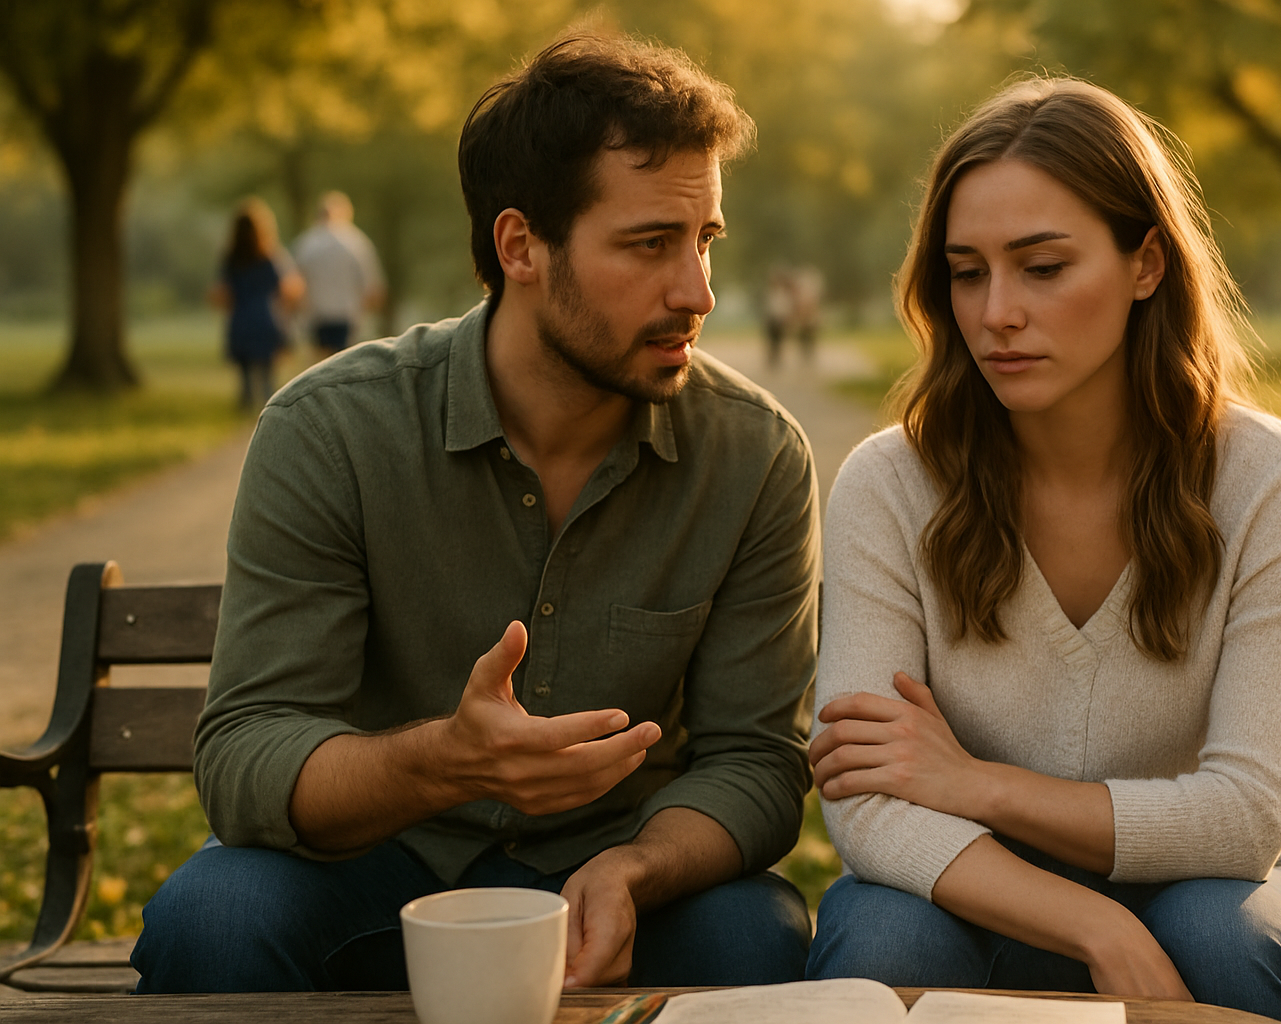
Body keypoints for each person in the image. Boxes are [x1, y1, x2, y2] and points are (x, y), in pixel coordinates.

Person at [132, 35, 819, 993]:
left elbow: (757, 760)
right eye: (649, 243)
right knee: (211, 920)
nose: (695, 292)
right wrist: (446, 765)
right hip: (377, 863)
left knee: (754, 937)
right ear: (521, 246)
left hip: (623, 868)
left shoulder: (755, 456)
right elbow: (249, 748)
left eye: (704, 240)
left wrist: (636, 867)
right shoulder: (330, 431)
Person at [804, 77, 1281, 1024]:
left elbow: (1247, 814)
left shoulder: (1277, 484)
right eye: (967, 272)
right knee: (882, 939)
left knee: (1222, 939)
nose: (996, 312)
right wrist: (1097, 926)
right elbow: (868, 802)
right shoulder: (890, 484)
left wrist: (976, 784)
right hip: (974, 891)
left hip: (1210, 887)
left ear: (1146, 264)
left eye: (1042, 267)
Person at [212, 198, 303, 409]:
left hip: (240, 320)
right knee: (268, 380)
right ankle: (269, 418)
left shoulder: (230, 258)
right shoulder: (270, 255)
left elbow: (222, 293)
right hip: (265, 318)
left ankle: (244, 417)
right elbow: (288, 288)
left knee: (245, 382)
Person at [291, 190, 385, 356]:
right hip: (347, 315)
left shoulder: (306, 243)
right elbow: (372, 287)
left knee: (321, 366)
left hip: (317, 315)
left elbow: (295, 285)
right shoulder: (357, 243)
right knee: (345, 363)